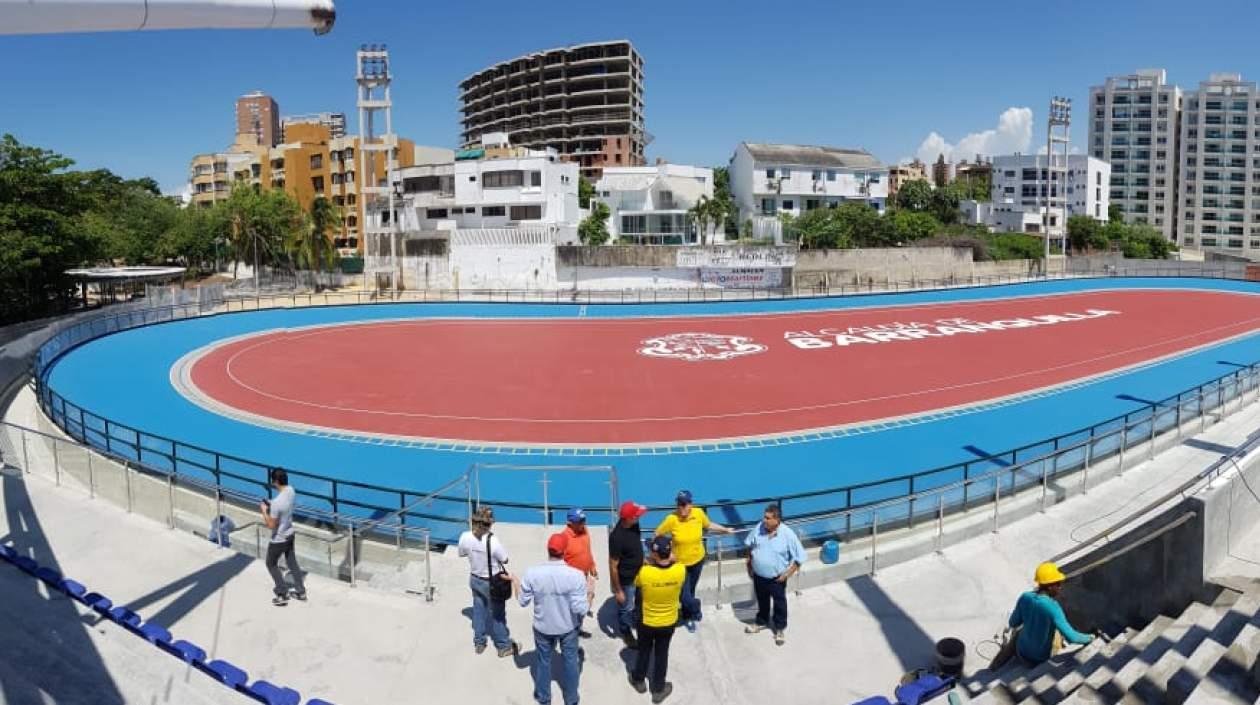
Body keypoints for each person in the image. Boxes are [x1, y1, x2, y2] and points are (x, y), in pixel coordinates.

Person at [518, 533, 589, 705]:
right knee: (571, 661)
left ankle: (544, 699)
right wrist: (591, 592)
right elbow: (580, 609)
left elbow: (522, 601)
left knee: (543, 662)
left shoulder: (532, 573)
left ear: (547, 550)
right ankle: (571, 699)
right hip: (567, 627)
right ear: (565, 551)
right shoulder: (576, 575)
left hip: (543, 627)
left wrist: (514, 583)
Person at [654, 489, 734, 632]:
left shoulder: (698, 514)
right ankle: (695, 608)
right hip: (680, 565)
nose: (681, 507)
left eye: (684, 504)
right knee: (684, 597)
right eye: (679, 504)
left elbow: (708, 525)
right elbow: (657, 534)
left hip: (697, 560)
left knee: (690, 590)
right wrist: (664, 553)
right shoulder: (671, 519)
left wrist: (725, 530)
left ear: (691, 504)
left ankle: (687, 615)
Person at [629, 535, 685, 703]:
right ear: (669, 552)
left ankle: (639, 679)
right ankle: (658, 689)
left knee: (644, 650)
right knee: (662, 654)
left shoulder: (645, 573)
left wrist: (648, 563)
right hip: (668, 621)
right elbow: (677, 563)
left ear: (654, 554)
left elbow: (636, 583)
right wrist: (673, 559)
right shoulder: (680, 571)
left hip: (647, 621)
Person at [457, 506, 519, 657]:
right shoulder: (493, 541)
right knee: (498, 615)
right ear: (490, 524)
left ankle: (479, 642)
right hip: (492, 583)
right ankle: (503, 646)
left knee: (478, 611)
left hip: (475, 579)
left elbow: (462, 553)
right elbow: (505, 559)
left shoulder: (465, 536)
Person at [744, 503, 805, 645]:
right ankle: (761, 621)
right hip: (759, 576)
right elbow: (748, 545)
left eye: (767, 518)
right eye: (764, 517)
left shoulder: (788, 534)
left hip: (776, 579)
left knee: (779, 604)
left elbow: (800, 557)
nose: (764, 520)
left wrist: (787, 575)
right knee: (762, 600)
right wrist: (749, 564)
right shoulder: (759, 528)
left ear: (776, 520)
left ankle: (779, 629)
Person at [1008, 562, 1093, 665]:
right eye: (1058, 584)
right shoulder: (1053, 607)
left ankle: (994, 668)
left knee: (1019, 632)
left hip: (1022, 652)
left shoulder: (1025, 597)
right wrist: (1091, 637)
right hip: (1039, 659)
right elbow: (1072, 637)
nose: (1060, 587)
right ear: (1049, 587)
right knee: (1057, 632)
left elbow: (1013, 623)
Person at [259, 467, 305, 606]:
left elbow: (271, 525)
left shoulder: (277, 504)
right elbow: (281, 505)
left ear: (276, 481)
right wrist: (271, 504)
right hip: (290, 534)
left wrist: (264, 511)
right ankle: (300, 591)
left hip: (278, 539)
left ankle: (282, 592)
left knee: (271, 563)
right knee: (292, 562)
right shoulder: (291, 491)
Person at [609, 500, 648, 648]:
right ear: (629, 518)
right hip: (627, 580)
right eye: (637, 515)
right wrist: (618, 590)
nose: (639, 517)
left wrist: (643, 560)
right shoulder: (616, 537)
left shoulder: (634, 525)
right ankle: (626, 632)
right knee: (624, 607)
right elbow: (613, 565)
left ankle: (637, 620)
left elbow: (637, 544)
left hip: (640, 574)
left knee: (639, 601)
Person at [560, 507, 598, 636]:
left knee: (585, 604)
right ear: (570, 523)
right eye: (580, 521)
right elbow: (559, 562)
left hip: (585, 575)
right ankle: (571, 631)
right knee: (573, 608)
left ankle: (577, 628)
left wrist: (592, 566)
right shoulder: (564, 538)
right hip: (571, 581)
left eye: (584, 520)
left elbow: (587, 551)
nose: (583, 523)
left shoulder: (585, 531)